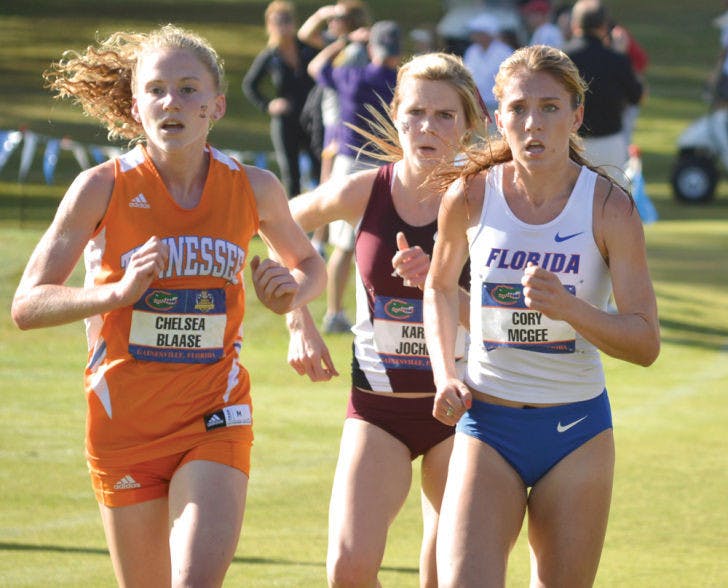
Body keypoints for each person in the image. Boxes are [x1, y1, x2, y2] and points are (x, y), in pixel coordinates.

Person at [11, 24, 326, 587]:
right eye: (156, 89)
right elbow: (27, 304)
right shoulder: (99, 186)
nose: (171, 102)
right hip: (122, 422)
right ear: (136, 107)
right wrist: (115, 294)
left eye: (187, 89)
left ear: (216, 105)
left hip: (214, 415)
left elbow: (309, 264)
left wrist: (292, 297)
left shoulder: (253, 187)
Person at [423, 45, 660, 587]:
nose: (534, 123)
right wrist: (445, 374)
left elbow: (645, 343)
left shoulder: (610, 209)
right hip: (488, 424)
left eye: (551, 107)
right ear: (497, 116)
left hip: (576, 432)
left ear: (576, 116)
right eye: (519, 108)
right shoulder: (469, 195)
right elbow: (438, 286)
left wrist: (570, 309)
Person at [285, 51, 486, 587]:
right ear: (396, 113)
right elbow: (274, 222)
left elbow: (507, 322)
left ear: (470, 125)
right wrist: (297, 316)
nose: (428, 127)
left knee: (448, 572)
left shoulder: (489, 202)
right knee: (348, 569)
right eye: (416, 112)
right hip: (379, 410)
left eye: (445, 116)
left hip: (467, 411)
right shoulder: (365, 189)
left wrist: (438, 286)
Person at [307, 20, 401, 334]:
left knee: (344, 247)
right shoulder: (402, 81)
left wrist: (345, 42)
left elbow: (316, 66)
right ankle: (384, 314)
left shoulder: (352, 76)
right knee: (386, 244)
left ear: (372, 47)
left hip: (350, 164)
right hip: (388, 164)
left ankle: (335, 312)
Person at [243, 1, 321, 197]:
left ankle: (323, 225)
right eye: (277, 22)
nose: (283, 26)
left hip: (312, 121)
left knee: (319, 171)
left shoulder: (309, 49)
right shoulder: (270, 56)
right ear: (269, 26)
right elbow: (249, 85)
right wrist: (268, 105)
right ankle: (293, 222)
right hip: (286, 122)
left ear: (294, 22)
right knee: (291, 175)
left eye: (286, 20)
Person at [563, 0, 643, 179]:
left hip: (570, 142)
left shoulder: (562, 58)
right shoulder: (616, 59)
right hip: (610, 141)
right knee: (612, 200)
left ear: (575, 24)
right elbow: (635, 96)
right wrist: (621, 55)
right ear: (604, 26)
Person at [462, 12, 514, 128]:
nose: (474, 36)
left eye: (478, 32)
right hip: (476, 107)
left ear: (487, 33)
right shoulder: (472, 51)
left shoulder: (504, 52)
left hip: (497, 106)